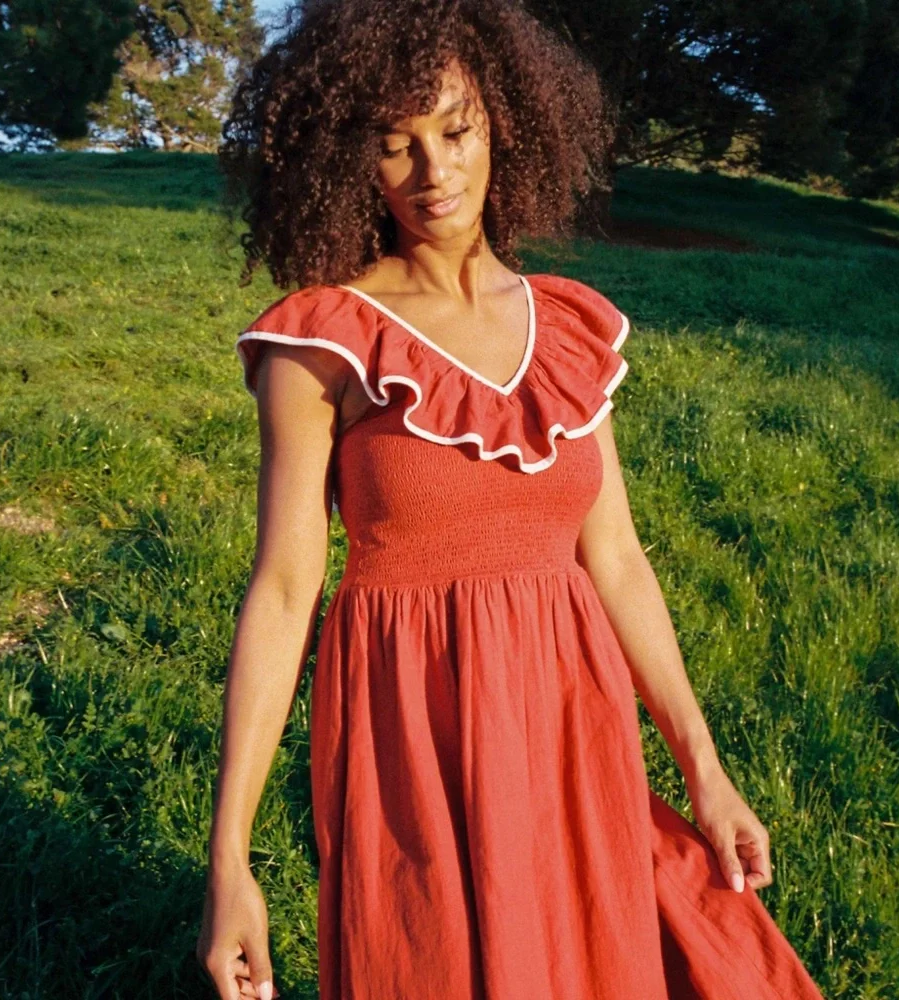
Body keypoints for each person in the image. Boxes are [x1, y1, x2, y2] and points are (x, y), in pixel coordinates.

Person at [197, 1, 828, 998]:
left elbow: (615, 559)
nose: (433, 171)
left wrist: (704, 770)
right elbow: (282, 590)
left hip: (570, 719)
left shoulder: (567, 326)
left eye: (456, 131)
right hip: (412, 729)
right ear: (348, 158)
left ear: (503, 123)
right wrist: (228, 859)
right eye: (394, 144)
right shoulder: (321, 340)